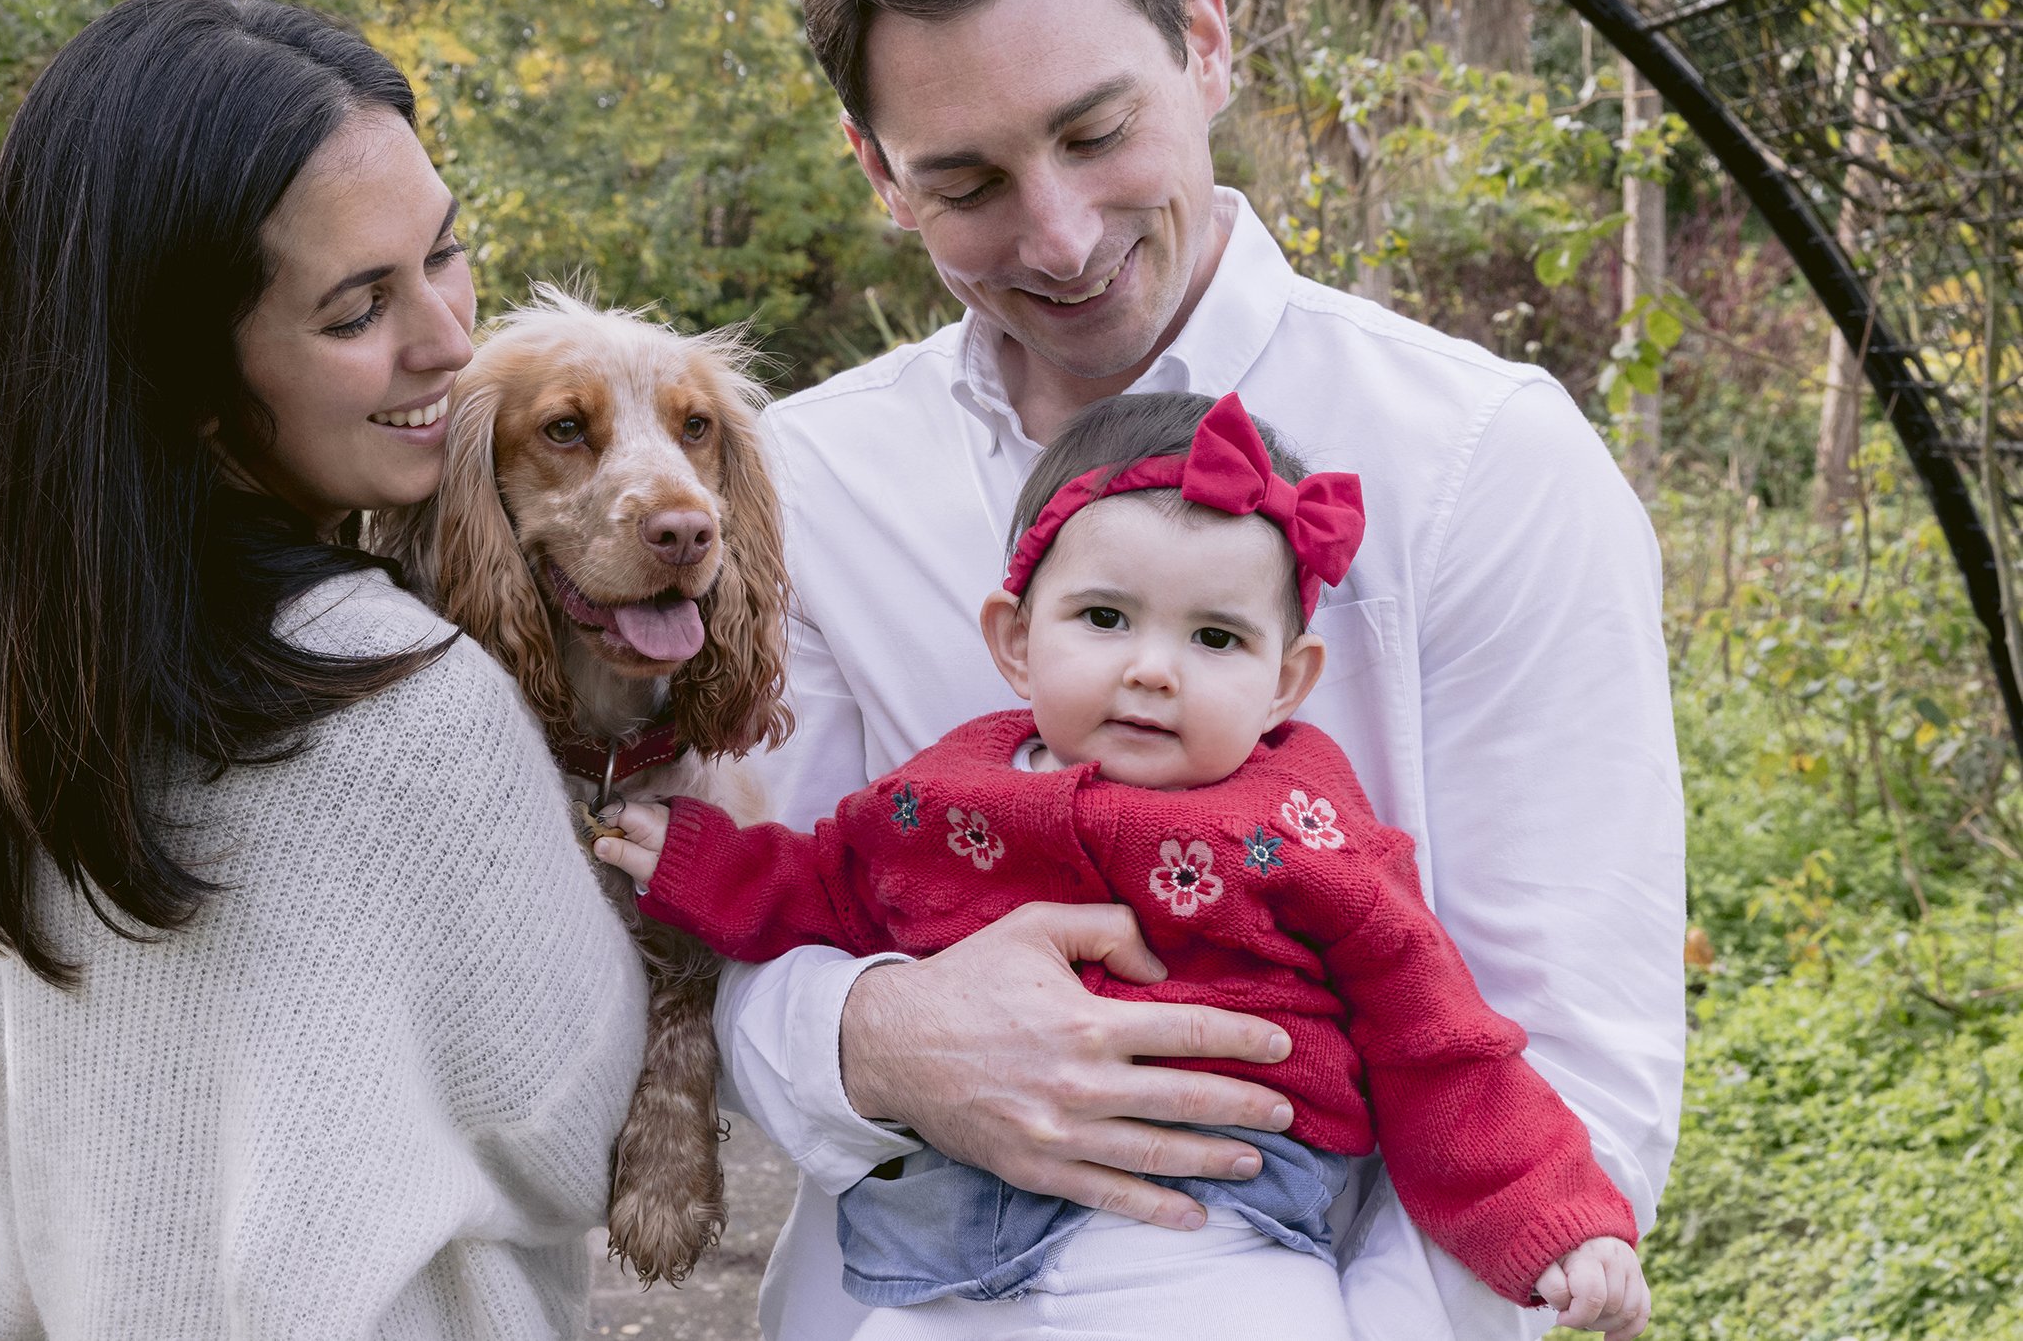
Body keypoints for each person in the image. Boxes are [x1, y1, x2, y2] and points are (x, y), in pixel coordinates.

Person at [717, 0, 1684, 1340]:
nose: (1060, 234)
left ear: (1206, 38)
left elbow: (1570, 1050)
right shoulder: (802, 484)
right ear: (876, 173)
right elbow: (751, 947)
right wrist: (877, 1035)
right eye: (964, 181)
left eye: (1098, 132)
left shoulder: (1489, 459)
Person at [600, 391, 1649, 1339]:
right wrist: (695, 857)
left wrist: (1557, 1219)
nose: (1152, 665)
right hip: (958, 1255)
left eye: (1215, 637)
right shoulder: (949, 788)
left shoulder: (1307, 827)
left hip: (1212, 1238)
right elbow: (829, 882)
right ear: (1015, 639)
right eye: (1104, 618)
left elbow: (1439, 1042)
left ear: (1287, 681)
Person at [0, 0, 645, 1338]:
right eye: (359, 307)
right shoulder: (404, 701)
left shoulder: (26, 694)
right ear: (186, 377)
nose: (448, 338)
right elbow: (577, 1127)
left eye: (446, 250)